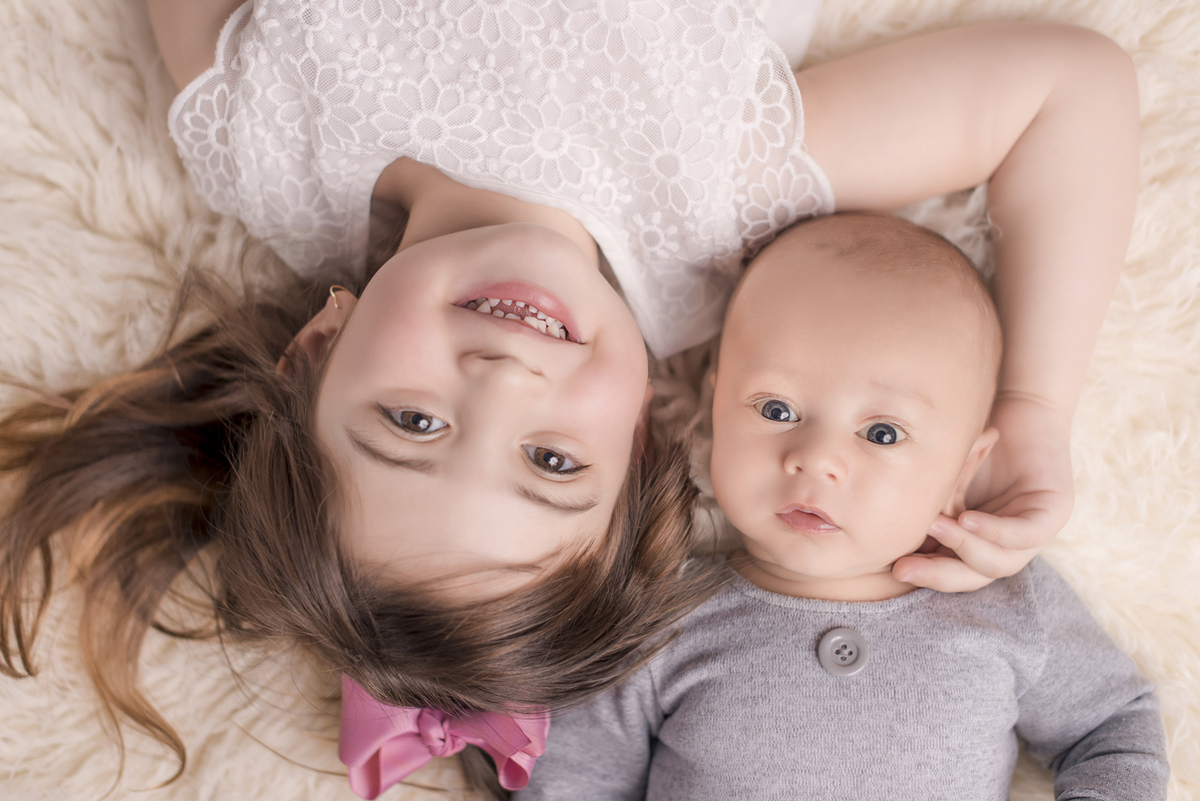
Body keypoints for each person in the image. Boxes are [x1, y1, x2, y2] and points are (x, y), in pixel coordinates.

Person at [0, 0, 1139, 795]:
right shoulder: (722, 208)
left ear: (313, 350)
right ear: (650, 432)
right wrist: (1032, 409)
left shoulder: (258, 137)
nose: (501, 385)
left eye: (413, 423)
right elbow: (1068, 92)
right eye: (554, 464)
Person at [517, 213, 1170, 801]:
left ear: (963, 470)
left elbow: (1112, 725)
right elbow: (574, 778)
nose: (816, 456)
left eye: (881, 432)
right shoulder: (660, 617)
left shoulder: (1007, 605)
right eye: (777, 409)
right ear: (716, 412)